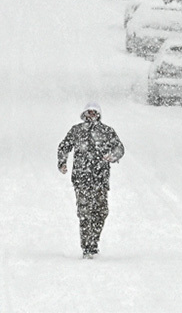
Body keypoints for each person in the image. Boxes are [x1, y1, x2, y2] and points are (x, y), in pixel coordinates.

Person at [57, 103, 125, 258]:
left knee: (101, 212)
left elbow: (120, 148)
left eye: (94, 113)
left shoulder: (107, 132)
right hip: (81, 179)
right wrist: (62, 162)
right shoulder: (77, 131)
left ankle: (93, 240)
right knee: (85, 213)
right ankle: (87, 247)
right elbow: (64, 146)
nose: (91, 115)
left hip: (100, 179)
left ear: (99, 114)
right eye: (89, 113)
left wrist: (112, 156)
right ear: (84, 114)